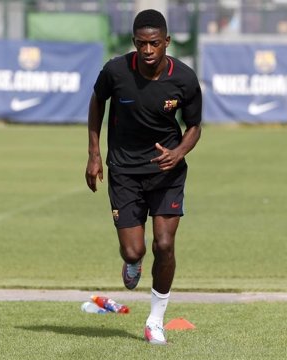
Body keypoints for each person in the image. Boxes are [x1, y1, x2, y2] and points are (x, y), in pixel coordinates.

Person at [84, 9, 202, 345]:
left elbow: (194, 127)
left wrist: (178, 153)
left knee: (164, 244)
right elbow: (97, 101)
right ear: (134, 42)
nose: (147, 50)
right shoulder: (116, 70)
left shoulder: (185, 78)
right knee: (134, 251)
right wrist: (94, 154)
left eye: (153, 43)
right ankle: (131, 263)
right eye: (140, 44)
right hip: (123, 171)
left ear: (166, 42)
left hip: (167, 172)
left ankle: (155, 321)